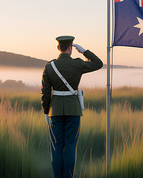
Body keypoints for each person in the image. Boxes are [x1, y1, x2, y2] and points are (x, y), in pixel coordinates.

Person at [41, 35, 103, 178]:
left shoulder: (49, 66)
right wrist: (84, 52)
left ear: (58, 48)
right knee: (70, 147)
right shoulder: (77, 64)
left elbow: (45, 92)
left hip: (54, 111)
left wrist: (46, 111)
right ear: (71, 48)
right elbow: (98, 63)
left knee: (56, 148)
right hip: (73, 110)